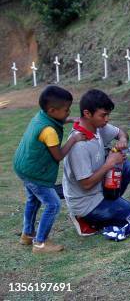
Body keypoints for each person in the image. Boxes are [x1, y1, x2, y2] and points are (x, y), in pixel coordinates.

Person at [62, 89, 130, 233]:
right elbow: (86, 184)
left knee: (127, 166)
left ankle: (111, 205)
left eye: (108, 115)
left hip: (100, 191)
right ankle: (84, 218)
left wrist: (122, 140)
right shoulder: (78, 145)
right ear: (87, 113)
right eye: (103, 115)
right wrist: (109, 163)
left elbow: (121, 132)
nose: (107, 119)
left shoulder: (96, 127)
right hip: (87, 203)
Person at [13, 86, 85, 253]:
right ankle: (40, 243)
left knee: (33, 200)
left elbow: (58, 118)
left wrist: (70, 119)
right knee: (52, 204)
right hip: (35, 173)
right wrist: (74, 139)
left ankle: (27, 234)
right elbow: (58, 155)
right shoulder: (49, 131)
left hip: (24, 168)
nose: (68, 112)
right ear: (52, 110)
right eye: (66, 110)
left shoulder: (42, 116)